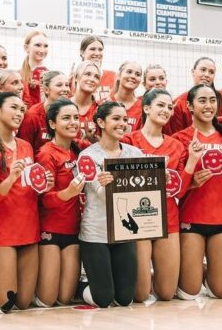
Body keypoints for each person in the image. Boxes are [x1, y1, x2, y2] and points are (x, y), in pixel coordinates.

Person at [172, 84, 222, 299]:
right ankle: (187, 272)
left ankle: (212, 270)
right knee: (190, 292)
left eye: (212, 100)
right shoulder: (180, 139)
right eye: (202, 100)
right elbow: (176, 191)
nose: (208, 105)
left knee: (220, 292)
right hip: (191, 218)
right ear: (190, 106)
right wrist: (191, 181)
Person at [0, 92, 54, 313]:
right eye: (14, 108)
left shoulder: (26, 146)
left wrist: (44, 184)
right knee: (6, 304)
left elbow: (30, 187)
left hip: (29, 229)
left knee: (24, 302)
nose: (20, 113)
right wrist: (10, 179)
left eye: (22, 109)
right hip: (4, 232)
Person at [121, 89, 200, 302]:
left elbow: (180, 190)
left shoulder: (176, 145)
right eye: (161, 105)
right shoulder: (128, 141)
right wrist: (151, 174)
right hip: (137, 217)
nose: (166, 110)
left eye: (169, 107)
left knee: (166, 293)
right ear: (146, 108)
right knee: (140, 294)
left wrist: (192, 160)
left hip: (168, 217)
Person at [77, 101, 143, 308]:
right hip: (96, 233)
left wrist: (160, 180)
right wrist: (107, 184)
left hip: (124, 233)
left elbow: (146, 193)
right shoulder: (88, 155)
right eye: (116, 118)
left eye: (124, 119)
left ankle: (105, 282)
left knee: (125, 299)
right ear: (100, 122)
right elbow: (104, 194)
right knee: (103, 299)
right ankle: (81, 287)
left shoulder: (134, 154)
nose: (122, 123)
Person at [34, 99, 84, 307]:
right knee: (47, 299)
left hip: (73, 232)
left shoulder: (80, 151)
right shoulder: (46, 153)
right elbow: (45, 199)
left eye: (76, 118)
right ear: (52, 124)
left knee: (64, 299)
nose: (73, 122)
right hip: (50, 231)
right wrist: (68, 193)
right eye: (66, 118)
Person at [18, 71, 71, 153]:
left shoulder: (71, 112)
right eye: (59, 85)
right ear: (46, 89)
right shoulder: (32, 115)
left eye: (67, 85)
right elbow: (23, 148)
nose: (65, 89)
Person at [167, 57, 217, 135]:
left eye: (211, 72)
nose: (207, 74)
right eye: (203, 70)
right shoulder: (179, 103)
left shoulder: (221, 100)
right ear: (193, 71)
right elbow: (176, 137)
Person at [72, 36, 116, 103]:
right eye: (92, 49)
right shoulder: (73, 78)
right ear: (82, 52)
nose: (97, 53)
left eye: (100, 50)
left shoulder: (113, 76)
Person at [71, 61, 102, 143]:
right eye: (87, 74)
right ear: (77, 77)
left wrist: (94, 140)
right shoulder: (62, 106)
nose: (92, 79)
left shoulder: (101, 109)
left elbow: (107, 145)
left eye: (96, 77)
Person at [111, 61, 143, 132]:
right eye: (129, 72)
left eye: (137, 74)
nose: (133, 76)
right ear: (119, 75)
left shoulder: (143, 108)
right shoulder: (104, 103)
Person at [20, 31, 49, 106]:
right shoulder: (18, 75)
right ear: (26, 48)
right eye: (38, 45)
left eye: (45, 46)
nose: (42, 50)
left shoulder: (53, 77)